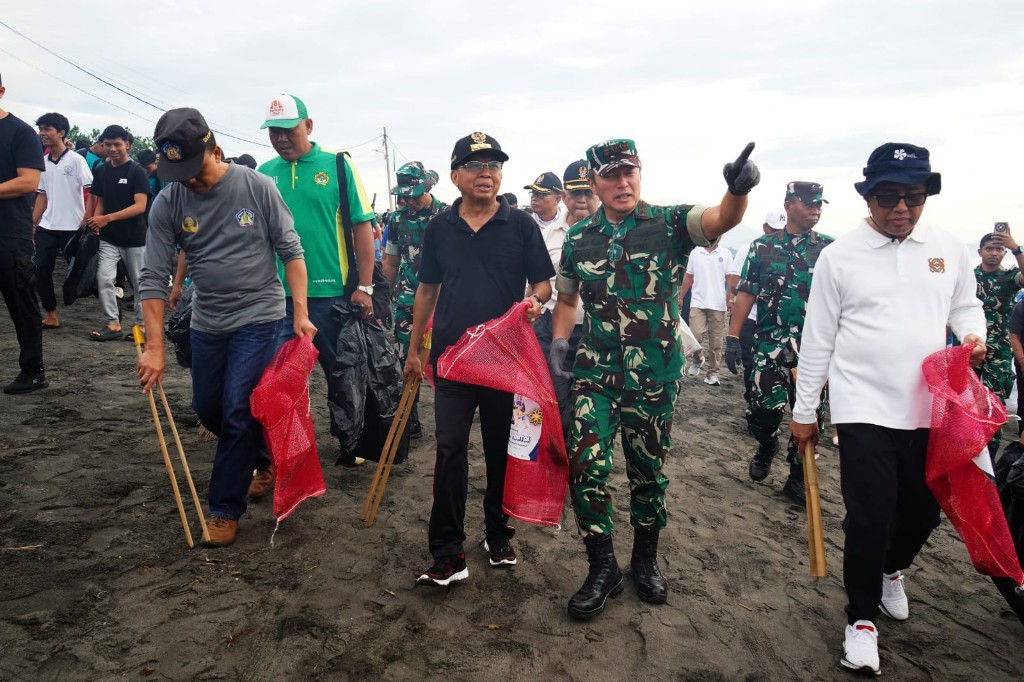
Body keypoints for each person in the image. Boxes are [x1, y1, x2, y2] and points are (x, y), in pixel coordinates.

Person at [790, 142, 986, 675]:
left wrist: (973, 333)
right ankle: (860, 622)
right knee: (870, 516)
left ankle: (891, 570)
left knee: (923, 513)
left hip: (930, 409)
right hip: (862, 407)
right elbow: (818, 339)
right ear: (869, 197)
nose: (901, 207)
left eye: (913, 196)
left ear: (926, 195)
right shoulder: (839, 256)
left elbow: (966, 305)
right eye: (889, 197)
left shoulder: (947, 248)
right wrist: (805, 410)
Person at [549, 138, 759, 619]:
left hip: (653, 377)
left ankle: (644, 560)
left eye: (630, 172)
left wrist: (738, 190)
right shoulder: (581, 239)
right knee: (586, 466)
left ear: (639, 173)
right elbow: (566, 299)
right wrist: (561, 344)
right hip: (595, 372)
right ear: (595, 181)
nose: (622, 183)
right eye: (611, 175)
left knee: (647, 473)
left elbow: (720, 219)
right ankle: (602, 568)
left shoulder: (669, 222)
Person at [137, 107, 312, 547]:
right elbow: (152, 276)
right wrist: (154, 347)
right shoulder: (169, 201)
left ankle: (223, 509)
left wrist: (300, 312)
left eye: (195, 170)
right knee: (208, 409)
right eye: (180, 173)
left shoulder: (257, 186)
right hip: (207, 320)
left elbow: (291, 251)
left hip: (260, 315)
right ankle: (266, 456)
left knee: (237, 407)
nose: (189, 181)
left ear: (215, 149)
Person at [404, 132, 554, 586]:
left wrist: (535, 303)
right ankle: (447, 552)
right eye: (474, 165)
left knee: (501, 451)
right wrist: (414, 350)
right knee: (449, 451)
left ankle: (497, 532)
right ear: (455, 176)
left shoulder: (521, 225)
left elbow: (543, 283)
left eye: (493, 165)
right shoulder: (439, 229)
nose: (485, 172)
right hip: (451, 358)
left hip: (503, 360)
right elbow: (427, 290)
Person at [256, 93, 378, 477]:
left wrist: (365, 285)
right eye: (274, 132)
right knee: (278, 376)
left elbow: (362, 226)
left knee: (340, 373)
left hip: (329, 293)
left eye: (288, 130)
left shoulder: (337, 166)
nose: (281, 139)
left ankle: (350, 442)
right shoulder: (264, 172)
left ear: (308, 126)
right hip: (276, 296)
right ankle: (288, 450)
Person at [727, 182, 833, 505]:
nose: (815, 209)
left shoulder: (830, 250)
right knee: (761, 410)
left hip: (812, 350)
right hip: (769, 344)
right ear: (788, 205)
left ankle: (796, 478)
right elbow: (746, 292)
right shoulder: (762, 248)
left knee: (811, 414)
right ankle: (766, 443)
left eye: (819, 204)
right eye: (808, 203)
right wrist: (733, 336)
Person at [532, 160, 599, 438]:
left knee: (589, 409)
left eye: (588, 192)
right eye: (575, 193)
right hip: (552, 329)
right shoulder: (547, 236)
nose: (581, 199)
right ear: (564, 197)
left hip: (596, 332)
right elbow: (534, 284)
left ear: (598, 192)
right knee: (552, 403)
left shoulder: (615, 235)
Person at [383, 161, 447, 438]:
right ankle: (410, 418)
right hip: (407, 299)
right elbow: (390, 259)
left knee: (443, 357)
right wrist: (383, 296)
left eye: (414, 194)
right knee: (406, 357)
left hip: (444, 299)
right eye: (404, 195)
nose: (409, 200)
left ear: (428, 187)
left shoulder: (447, 216)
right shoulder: (397, 219)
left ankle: (451, 415)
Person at [0, 72, 47, 394]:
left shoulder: (20, 132)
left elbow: (28, 182)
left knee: (21, 303)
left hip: (9, 233)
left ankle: (33, 369)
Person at [86, 125, 150, 341]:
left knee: (140, 283)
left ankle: (142, 327)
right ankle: (113, 324)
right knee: (103, 277)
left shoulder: (137, 172)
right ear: (102, 145)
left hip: (135, 239)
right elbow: (100, 200)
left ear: (127, 145)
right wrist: (97, 222)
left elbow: (140, 206)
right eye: (108, 144)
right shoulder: (101, 171)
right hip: (109, 238)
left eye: (117, 144)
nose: (112, 148)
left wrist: (106, 219)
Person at [32, 112, 93, 330]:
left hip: (73, 227)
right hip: (48, 226)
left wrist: (87, 220)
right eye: (41, 129)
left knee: (84, 272)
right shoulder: (42, 163)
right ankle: (51, 314)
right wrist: (33, 224)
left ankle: (112, 316)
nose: (42, 133)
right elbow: (42, 194)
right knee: (40, 271)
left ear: (61, 132)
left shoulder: (76, 160)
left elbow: (90, 191)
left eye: (47, 129)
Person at [725, 210, 786, 401]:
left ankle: (764, 399)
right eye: (773, 230)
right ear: (764, 227)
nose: (777, 234)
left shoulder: (788, 252)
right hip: (750, 317)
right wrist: (760, 296)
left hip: (776, 321)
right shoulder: (750, 248)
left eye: (780, 230)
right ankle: (751, 398)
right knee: (751, 363)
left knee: (774, 365)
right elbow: (734, 284)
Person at [973, 229, 1024, 457]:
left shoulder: (1009, 277)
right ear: (980, 251)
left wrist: (1016, 248)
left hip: (998, 353)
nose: (994, 253)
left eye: (999, 249)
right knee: (966, 404)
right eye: (989, 248)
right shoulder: (967, 276)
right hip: (969, 349)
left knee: (993, 404)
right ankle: (969, 457)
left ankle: (990, 459)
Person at [679, 240, 732, 386]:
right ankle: (698, 359)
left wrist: (730, 299)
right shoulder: (696, 253)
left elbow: (729, 280)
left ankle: (713, 373)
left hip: (718, 304)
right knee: (695, 335)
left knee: (716, 341)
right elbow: (688, 276)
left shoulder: (725, 253)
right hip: (698, 302)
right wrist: (681, 297)